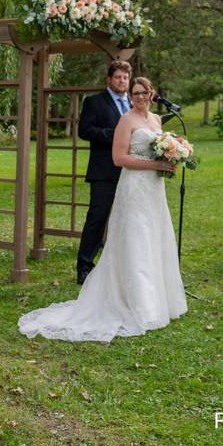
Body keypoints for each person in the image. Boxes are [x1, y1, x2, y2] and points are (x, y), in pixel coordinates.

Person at [18, 77, 187, 342]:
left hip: (154, 190)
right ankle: (137, 303)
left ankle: (159, 300)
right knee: (135, 240)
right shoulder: (126, 120)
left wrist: (172, 156)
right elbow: (119, 158)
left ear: (153, 94)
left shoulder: (155, 120)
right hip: (133, 187)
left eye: (144, 93)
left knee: (154, 238)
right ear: (131, 96)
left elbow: (158, 150)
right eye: (136, 93)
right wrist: (155, 166)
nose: (140, 97)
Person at [75, 60, 132, 284]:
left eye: (125, 78)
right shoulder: (95, 102)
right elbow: (85, 131)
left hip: (131, 170)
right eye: (118, 77)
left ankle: (123, 265)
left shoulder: (133, 103)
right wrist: (115, 135)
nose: (122, 81)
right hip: (104, 170)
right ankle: (84, 266)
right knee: (97, 218)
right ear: (110, 79)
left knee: (129, 217)